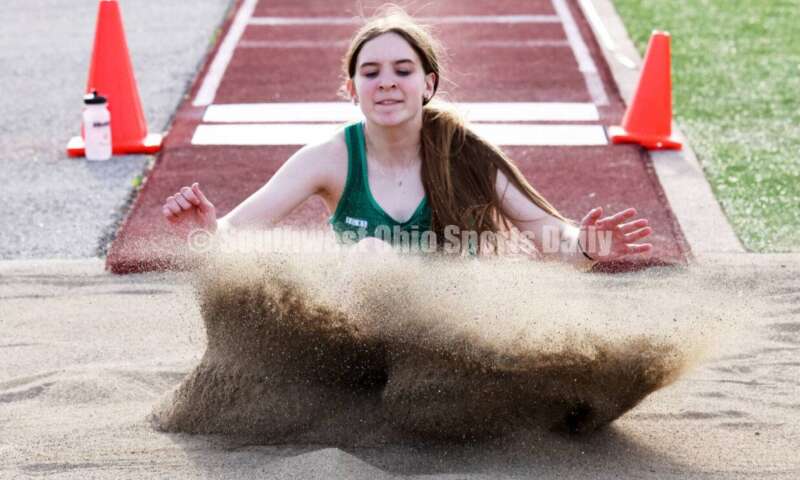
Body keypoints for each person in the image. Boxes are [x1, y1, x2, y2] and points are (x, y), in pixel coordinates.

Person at [162, 7, 652, 268]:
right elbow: (232, 234)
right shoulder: (328, 160)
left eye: (403, 69)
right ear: (352, 90)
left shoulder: (467, 154)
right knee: (371, 254)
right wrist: (206, 229)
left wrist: (587, 244)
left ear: (428, 84)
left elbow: (551, 232)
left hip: (452, 332)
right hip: (364, 338)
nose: (388, 82)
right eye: (371, 72)